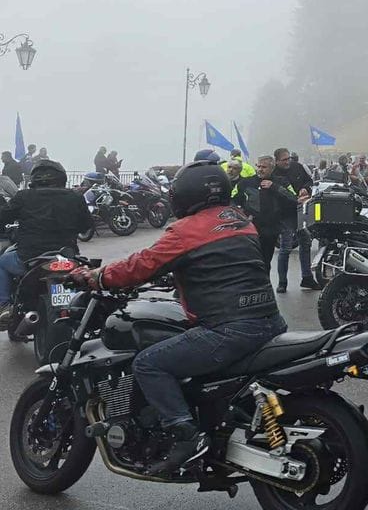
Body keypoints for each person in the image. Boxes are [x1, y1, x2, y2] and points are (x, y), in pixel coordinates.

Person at [70, 160, 287, 474]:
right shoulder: (240, 220)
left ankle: (185, 434)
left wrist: (98, 276)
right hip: (269, 322)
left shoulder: (188, 230)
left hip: (229, 329)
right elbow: (222, 265)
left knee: (149, 363)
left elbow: (142, 264)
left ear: (184, 195)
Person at [0, 160, 93, 323]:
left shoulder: (24, 196)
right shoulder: (75, 197)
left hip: (28, 257)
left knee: (2, 262)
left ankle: (5, 305)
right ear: (61, 177)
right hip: (67, 256)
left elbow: (3, 216)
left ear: (34, 178)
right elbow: (87, 225)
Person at [233, 155, 297, 273]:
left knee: (265, 263)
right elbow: (232, 200)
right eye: (259, 166)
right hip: (250, 230)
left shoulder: (280, 181)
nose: (260, 169)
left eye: (264, 167)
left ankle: (265, 287)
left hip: (271, 230)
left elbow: (293, 199)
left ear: (272, 168)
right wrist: (242, 214)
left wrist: (274, 187)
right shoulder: (246, 183)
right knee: (251, 262)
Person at [272, 148, 317, 292]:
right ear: (277, 161)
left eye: (288, 158)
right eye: (284, 160)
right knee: (285, 248)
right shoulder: (273, 174)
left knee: (305, 241)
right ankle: (282, 283)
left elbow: (309, 181)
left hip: (301, 212)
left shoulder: (297, 167)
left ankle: (307, 278)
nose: (287, 162)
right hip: (284, 215)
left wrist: (306, 189)